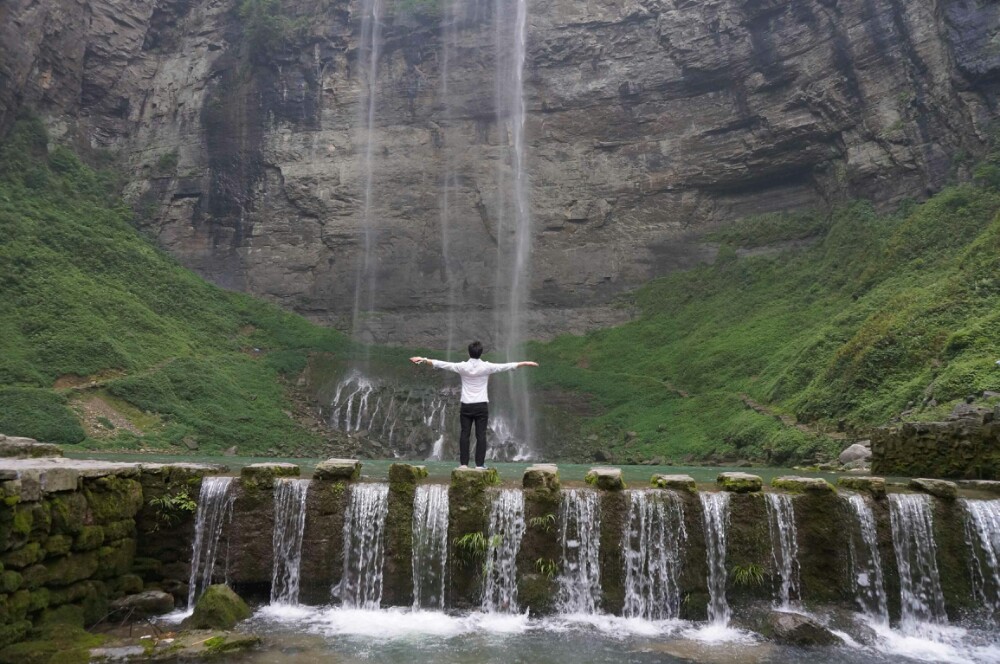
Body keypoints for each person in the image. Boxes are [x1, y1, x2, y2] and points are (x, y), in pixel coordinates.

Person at [410, 341, 538, 469]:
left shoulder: (462, 367)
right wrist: (525, 363)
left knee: (464, 434)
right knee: (481, 435)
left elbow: (442, 364)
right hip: (481, 406)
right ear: (481, 352)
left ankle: (464, 464)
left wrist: (423, 359)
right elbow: (506, 366)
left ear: (469, 352)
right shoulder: (487, 367)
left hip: (466, 405)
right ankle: (480, 465)